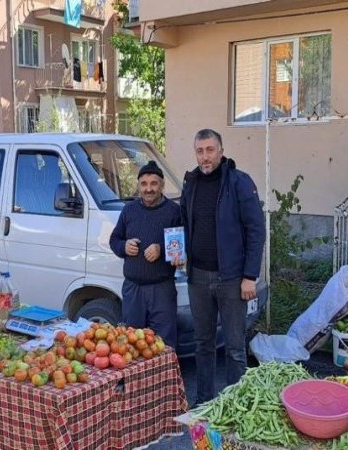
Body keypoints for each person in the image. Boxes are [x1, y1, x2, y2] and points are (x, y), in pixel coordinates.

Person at [180, 129, 265, 404]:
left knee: (234, 348)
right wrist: (179, 253)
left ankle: (235, 404)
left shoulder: (239, 182)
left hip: (231, 279)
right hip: (198, 278)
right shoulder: (191, 182)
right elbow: (184, 225)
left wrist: (249, 276)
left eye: (209, 150)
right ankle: (204, 401)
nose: (205, 157)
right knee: (202, 344)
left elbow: (256, 230)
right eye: (200, 151)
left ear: (221, 151)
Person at [109, 161, 182, 348]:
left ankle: (164, 378)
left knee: (164, 346)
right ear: (138, 185)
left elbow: (180, 253)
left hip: (162, 291)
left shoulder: (174, 211)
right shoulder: (129, 210)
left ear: (162, 185)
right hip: (133, 291)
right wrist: (124, 246)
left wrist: (161, 249)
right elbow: (114, 239)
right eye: (144, 184)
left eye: (154, 183)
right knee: (131, 347)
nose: (148, 189)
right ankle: (135, 379)